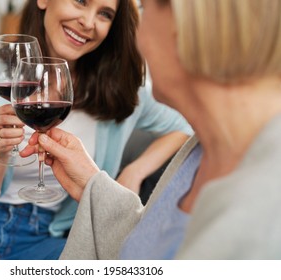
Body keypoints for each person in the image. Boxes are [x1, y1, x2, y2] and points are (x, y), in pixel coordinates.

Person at [0, 0, 191, 260]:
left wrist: (134, 172)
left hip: (46, 237)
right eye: (80, 1)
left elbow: (185, 125)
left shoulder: (123, 89)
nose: (88, 22)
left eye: (104, 14)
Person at [22, 0, 281, 259]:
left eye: (144, 9)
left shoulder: (266, 216)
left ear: (186, 24)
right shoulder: (202, 149)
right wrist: (93, 185)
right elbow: (150, 250)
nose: (136, 39)